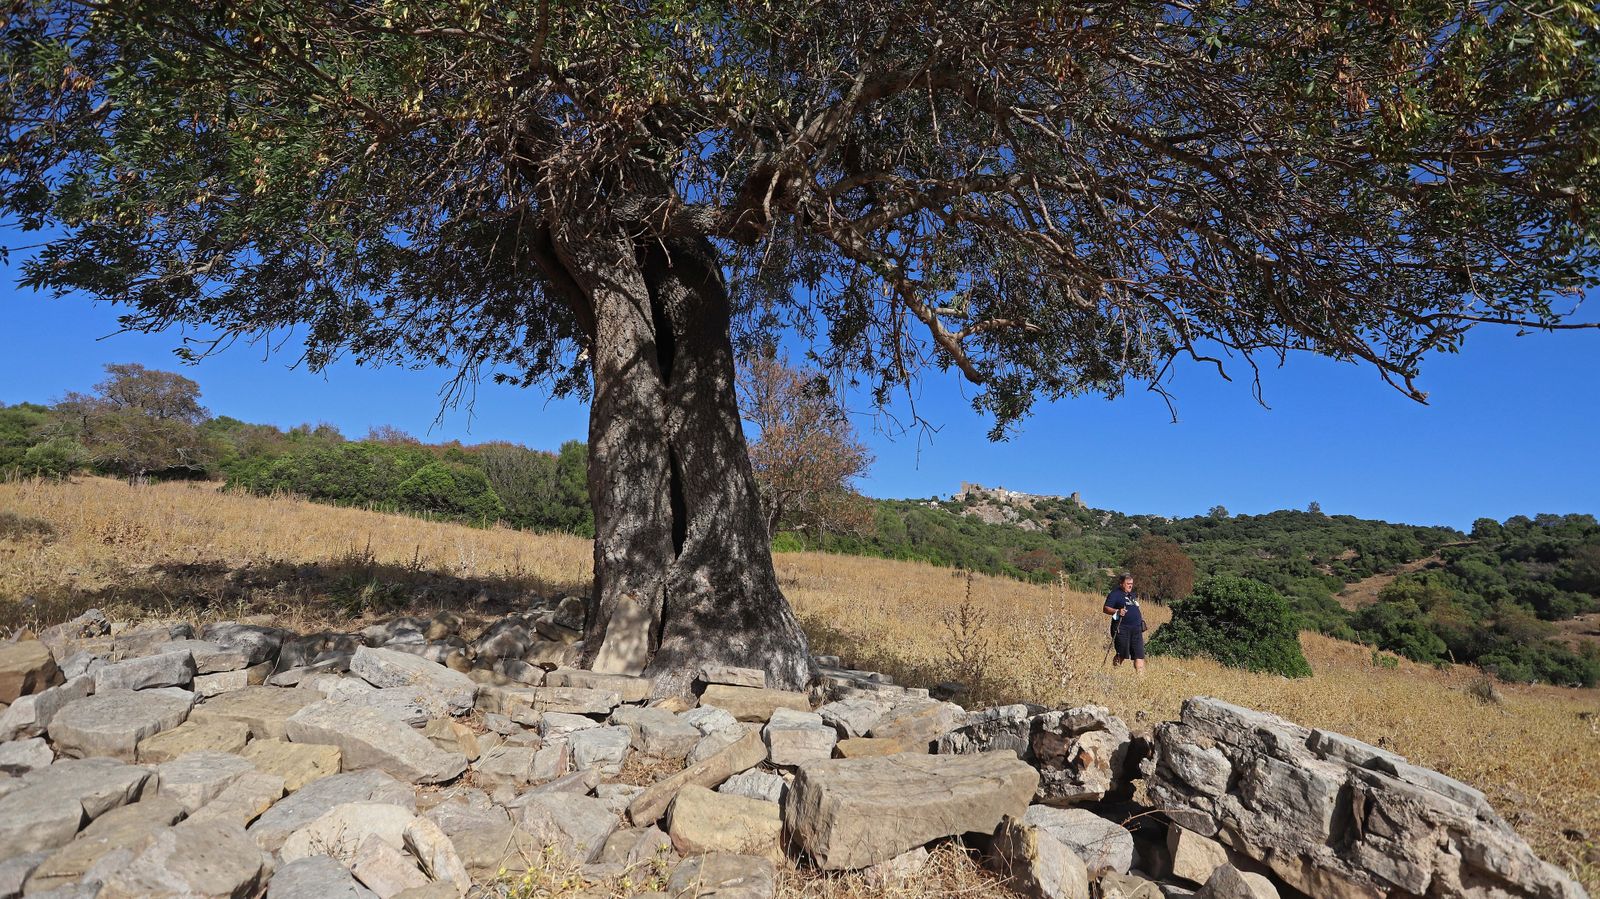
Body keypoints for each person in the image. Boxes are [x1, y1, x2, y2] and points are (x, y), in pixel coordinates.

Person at [1103, 573, 1147, 672]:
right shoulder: (1115, 594)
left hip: (1136, 629)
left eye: (1131, 583)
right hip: (1121, 628)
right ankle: (1115, 673)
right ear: (1121, 584)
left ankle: (1141, 681)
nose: (1130, 585)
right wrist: (1117, 611)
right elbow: (1105, 608)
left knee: (1139, 655)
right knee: (1121, 654)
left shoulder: (1132, 595)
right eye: (1128, 584)